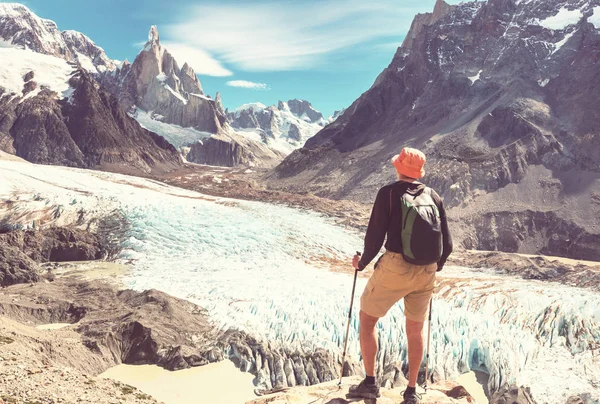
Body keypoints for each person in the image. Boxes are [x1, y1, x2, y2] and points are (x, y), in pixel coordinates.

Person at [347, 147, 452, 404]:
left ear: (399, 167)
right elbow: (447, 244)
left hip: (396, 266)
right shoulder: (433, 195)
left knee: (367, 318)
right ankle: (412, 391)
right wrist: (433, 268)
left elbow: (375, 237)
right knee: (415, 330)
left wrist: (362, 263)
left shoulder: (389, 194)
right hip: (427, 270)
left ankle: (370, 384)